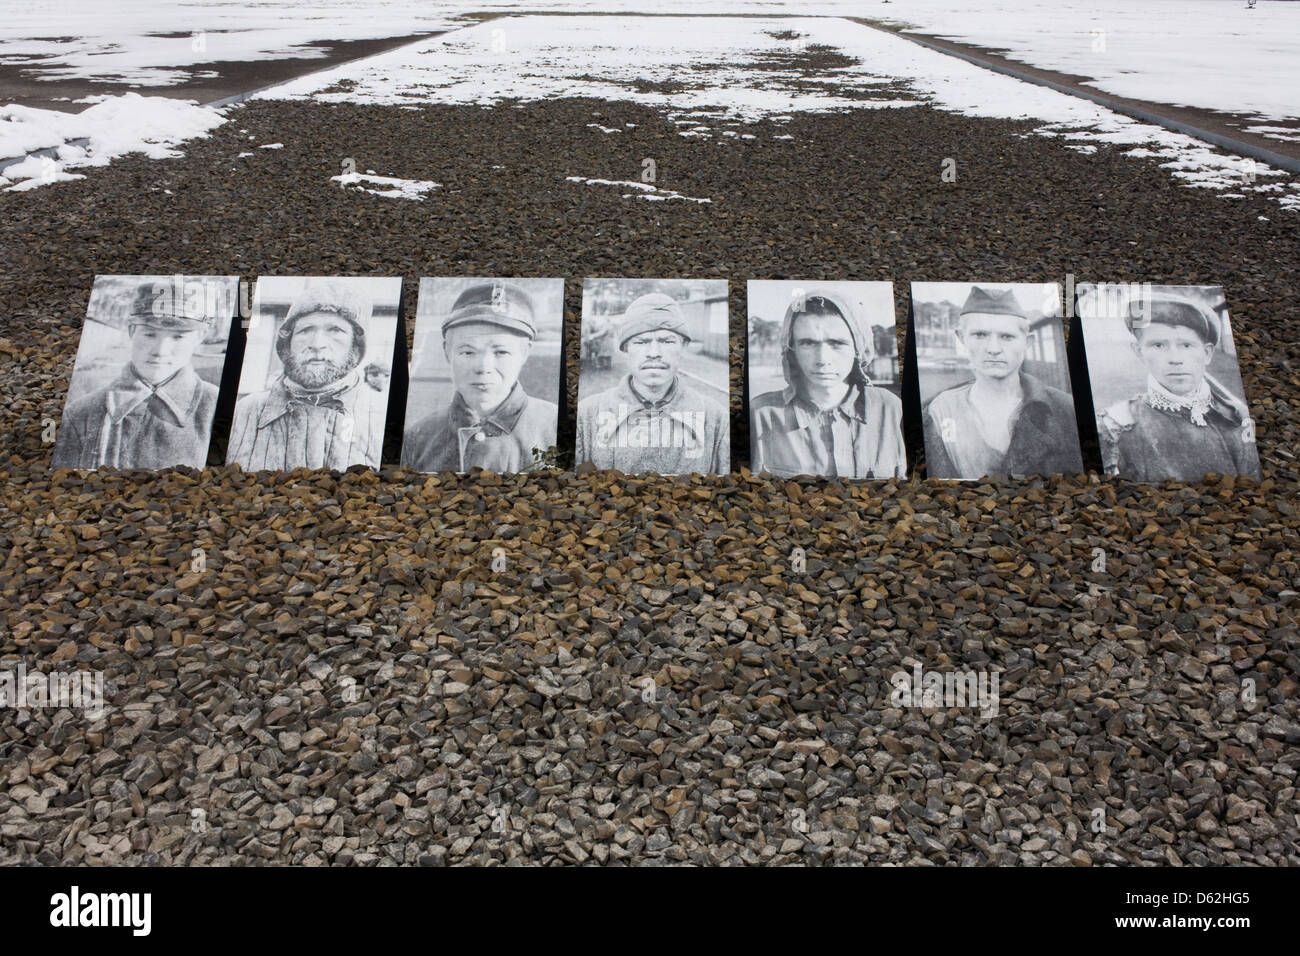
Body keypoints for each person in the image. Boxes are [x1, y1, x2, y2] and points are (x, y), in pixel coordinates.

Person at [53, 278, 222, 470]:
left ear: (199, 337)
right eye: (150, 334)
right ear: (132, 330)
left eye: (178, 336)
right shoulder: (81, 413)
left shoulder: (218, 408)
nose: (160, 350)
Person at [1098, 290, 1261, 481]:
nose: (1175, 360)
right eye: (1158, 345)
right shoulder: (1115, 426)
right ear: (1139, 353)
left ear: (1207, 353)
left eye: (1186, 345)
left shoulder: (1239, 417)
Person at [923, 286, 1082, 479]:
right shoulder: (940, 410)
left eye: (1007, 336)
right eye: (980, 335)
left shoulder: (1065, 409)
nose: (993, 349)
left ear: (1027, 343)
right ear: (961, 339)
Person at [227, 279, 385, 470]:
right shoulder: (245, 411)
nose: (317, 344)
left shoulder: (381, 416)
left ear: (356, 345)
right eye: (305, 330)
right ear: (287, 342)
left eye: (335, 330)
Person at [402, 280, 558, 473]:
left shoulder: (556, 428)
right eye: (467, 352)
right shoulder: (418, 439)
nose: (484, 367)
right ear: (446, 352)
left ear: (525, 353)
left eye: (501, 352)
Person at [750, 288, 905, 478]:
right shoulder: (760, 414)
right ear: (792, 349)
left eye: (837, 343)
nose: (823, 359)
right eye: (808, 343)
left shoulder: (890, 408)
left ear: (858, 347)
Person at [575, 292, 728, 475]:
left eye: (666, 341)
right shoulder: (586, 415)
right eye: (641, 341)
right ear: (625, 348)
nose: (654, 352)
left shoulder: (716, 418)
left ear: (684, 347)